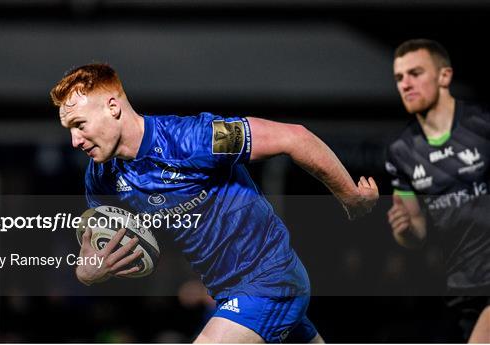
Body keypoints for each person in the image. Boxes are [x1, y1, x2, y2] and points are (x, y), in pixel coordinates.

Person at [50, 63, 379, 343]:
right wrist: (87, 272)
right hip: (229, 295)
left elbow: (294, 137)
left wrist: (350, 196)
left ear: (113, 107)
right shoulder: (102, 176)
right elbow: (93, 242)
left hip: (270, 280)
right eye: (69, 129)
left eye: (80, 125)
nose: (75, 141)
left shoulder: (193, 139)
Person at [386, 39, 490, 343]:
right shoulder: (401, 152)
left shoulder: (482, 125)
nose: (406, 84)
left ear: (444, 76)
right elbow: (416, 231)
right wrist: (404, 229)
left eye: (415, 73)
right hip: (463, 286)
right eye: (399, 77)